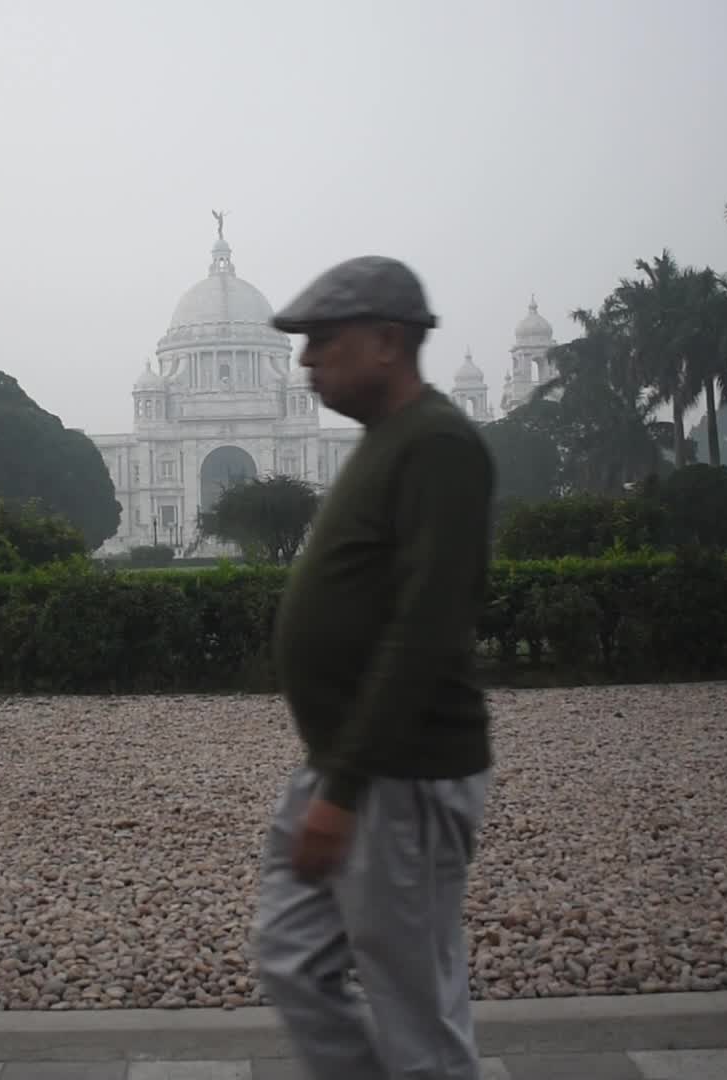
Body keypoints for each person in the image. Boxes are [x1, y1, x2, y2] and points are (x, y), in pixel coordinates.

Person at [250, 255, 495, 1080]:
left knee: (414, 1017)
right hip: (344, 767)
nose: (307, 361)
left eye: (323, 340)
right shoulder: (385, 441)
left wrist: (347, 787)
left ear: (387, 341)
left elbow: (426, 628)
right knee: (288, 957)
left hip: (400, 773)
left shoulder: (439, 446)